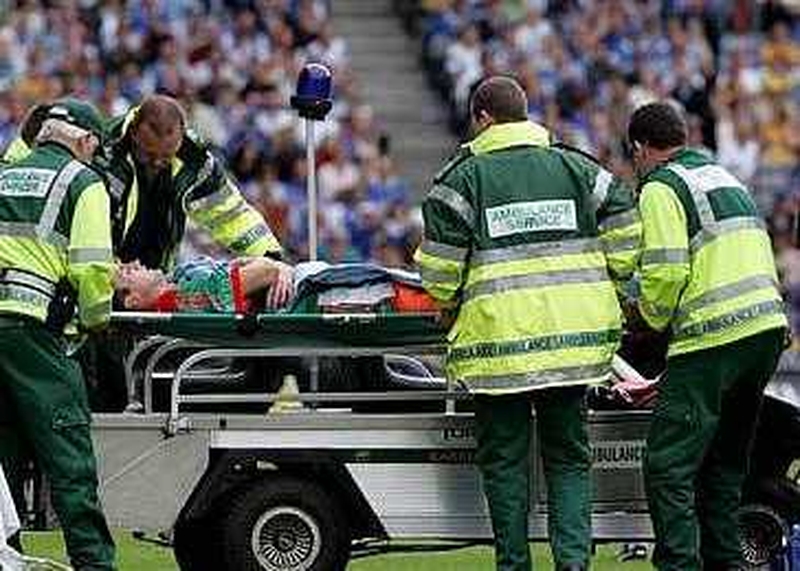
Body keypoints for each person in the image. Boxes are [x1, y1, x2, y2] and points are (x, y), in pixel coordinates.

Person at [415, 76, 641, 571]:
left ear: (482, 118)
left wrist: (448, 300)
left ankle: (513, 564)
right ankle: (574, 563)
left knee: (505, 464)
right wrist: (615, 276)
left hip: (499, 351)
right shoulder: (578, 167)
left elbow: (439, 270)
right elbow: (627, 223)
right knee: (568, 459)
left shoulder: (460, 179)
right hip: (573, 347)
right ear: (525, 114)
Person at [627, 101, 787, 571]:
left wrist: (645, 317)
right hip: (764, 331)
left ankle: (680, 564)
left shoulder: (661, 186)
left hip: (714, 335)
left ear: (640, 149)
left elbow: (665, 272)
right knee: (724, 462)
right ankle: (726, 562)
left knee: (667, 464)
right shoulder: (722, 177)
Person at [0, 99, 117, 570]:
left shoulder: (4, 174)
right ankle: (93, 565)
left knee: (1, 464)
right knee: (69, 458)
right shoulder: (83, 183)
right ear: (86, 142)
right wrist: (95, 320)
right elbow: (91, 270)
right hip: (34, 334)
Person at [114, 257, 287, 313]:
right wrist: (274, 264)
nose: (136, 262)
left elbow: (237, 263)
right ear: (133, 301)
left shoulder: (180, 287)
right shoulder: (191, 294)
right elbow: (267, 271)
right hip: (303, 290)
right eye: (129, 272)